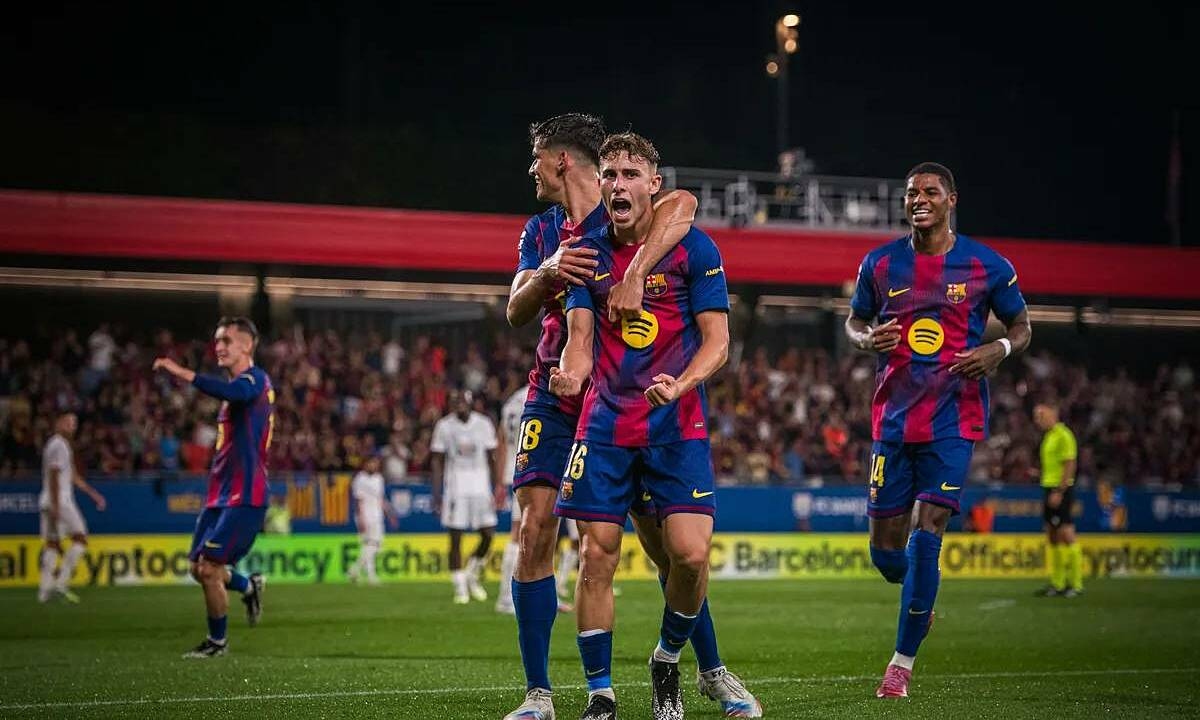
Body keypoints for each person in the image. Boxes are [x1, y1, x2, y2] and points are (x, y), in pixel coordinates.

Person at [504, 114, 758, 720]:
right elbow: (517, 310)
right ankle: (543, 693)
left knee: (673, 551)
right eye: (613, 173)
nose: (531, 169)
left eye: (537, 158)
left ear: (561, 160)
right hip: (561, 394)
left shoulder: (636, 218)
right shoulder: (545, 233)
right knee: (538, 530)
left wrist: (638, 270)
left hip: (632, 398)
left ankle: (708, 668)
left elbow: (685, 204)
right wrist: (548, 273)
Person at [845, 162, 1032, 698]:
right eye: (911, 193)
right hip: (893, 422)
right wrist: (865, 339)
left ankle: (899, 667)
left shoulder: (987, 265)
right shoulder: (880, 264)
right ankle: (920, 599)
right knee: (887, 557)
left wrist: (997, 349)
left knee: (928, 531)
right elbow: (854, 321)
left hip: (954, 419)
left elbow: (1022, 326)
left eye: (930, 191)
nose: (918, 199)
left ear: (952, 200)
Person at [154, 316, 273, 659]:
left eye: (227, 341)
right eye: (217, 340)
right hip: (220, 494)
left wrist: (181, 372)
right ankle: (248, 585)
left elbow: (232, 391)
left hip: (245, 494)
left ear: (247, 345)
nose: (219, 346)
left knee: (209, 569)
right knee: (198, 568)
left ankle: (217, 643)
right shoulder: (236, 389)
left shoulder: (255, 380)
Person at [431, 389, 501, 604]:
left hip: (480, 485)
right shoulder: (444, 426)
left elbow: (492, 456)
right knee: (455, 537)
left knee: (488, 534)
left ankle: (471, 574)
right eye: (455, 401)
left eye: (462, 400)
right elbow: (437, 460)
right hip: (456, 487)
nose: (459, 404)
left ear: (471, 402)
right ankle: (460, 587)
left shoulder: (483, 424)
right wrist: (437, 492)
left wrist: (497, 486)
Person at [38, 411, 106, 603]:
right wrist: (56, 505)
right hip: (60, 500)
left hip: (47, 500)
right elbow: (54, 475)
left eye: (74, 423)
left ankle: (45, 591)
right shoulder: (59, 445)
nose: (72, 427)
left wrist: (93, 494)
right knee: (81, 538)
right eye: (68, 422)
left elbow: (72, 476)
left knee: (52, 544)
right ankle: (61, 583)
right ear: (58, 423)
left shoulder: (56, 444)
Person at [1033, 403, 1081, 597]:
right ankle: (1058, 583)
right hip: (1048, 486)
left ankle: (1075, 584)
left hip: (1060, 489)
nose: (1038, 420)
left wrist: (1060, 491)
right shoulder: (1049, 436)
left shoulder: (1064, 435)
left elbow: (1070, 464)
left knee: (1066, 532)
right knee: (1052, 534)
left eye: (1041, 415)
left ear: (1053, 414)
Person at [349, 454, 399, 585]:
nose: (374, 465)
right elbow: (358, 501)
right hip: (365, 516)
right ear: (365, 464)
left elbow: (380, 499)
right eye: (371, 463)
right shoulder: (360, 479)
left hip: (377, 515)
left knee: (372, 546)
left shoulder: (379, 479)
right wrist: (361, 519)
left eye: (376, 463)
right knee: (372, 544)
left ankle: (358, 571)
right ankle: (368, 575)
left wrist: (390, 514)